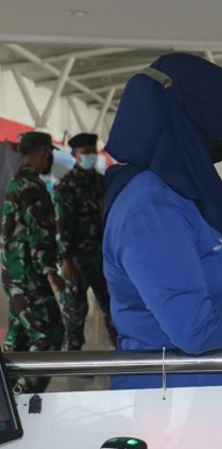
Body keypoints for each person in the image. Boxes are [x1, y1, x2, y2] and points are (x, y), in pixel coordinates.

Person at [101, 53, 222, 449]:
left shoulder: (180, 194)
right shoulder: (152, 207)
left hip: (219, 408)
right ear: (188, 116)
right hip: (185, 416)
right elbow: (193, 328)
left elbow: (195, 286)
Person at [1, 131, 65, 393]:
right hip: (29, 274)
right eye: (49, 154)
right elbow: (37, 232)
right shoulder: (32, 187)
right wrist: (50, 271)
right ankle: (24, 394)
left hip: (13, 272)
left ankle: (5, 393)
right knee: (48, 334)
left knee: (19, 334)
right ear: (43, 153)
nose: (49, 159)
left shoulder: (16, 183)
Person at [53, 132, 116, 350]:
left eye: (92, 151)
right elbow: (62, 226)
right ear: (74, 154)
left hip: (102, 258)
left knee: (112, 308)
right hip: (78, 261)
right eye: (85, 152)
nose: (89, 156)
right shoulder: (66, 186)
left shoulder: (101, 183)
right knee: (75, 312)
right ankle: (73, 357)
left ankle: (120, 352)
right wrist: (66, 259)